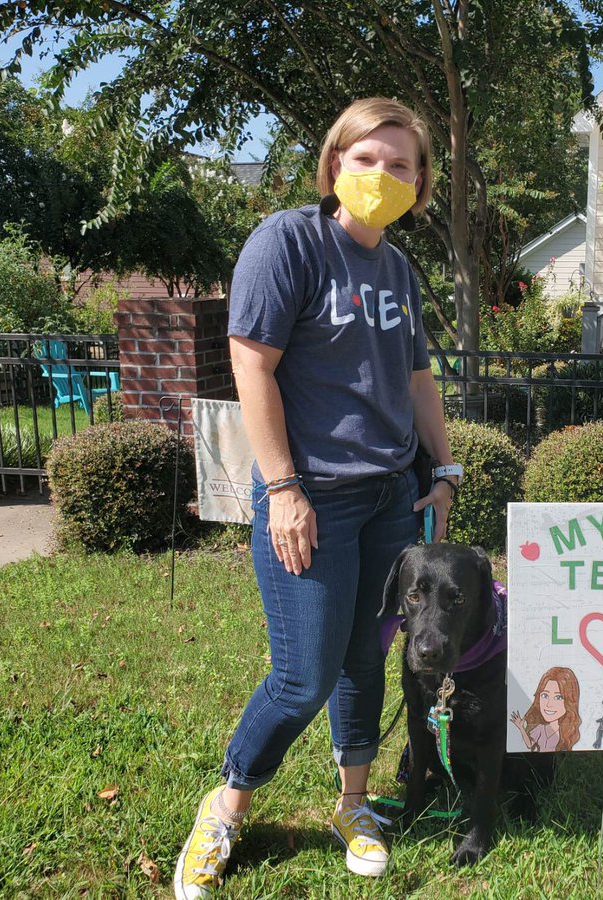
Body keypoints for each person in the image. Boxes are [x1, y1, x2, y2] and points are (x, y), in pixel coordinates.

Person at [174, 97, 462, 899]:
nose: (382, 174)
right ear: (335, 162)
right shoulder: (288, 241)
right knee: (302, 676)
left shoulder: (397, 268)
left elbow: (416, 380)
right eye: (366, 158)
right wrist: (284, 489)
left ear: (420, 183)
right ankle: (225, 809)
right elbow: (250, 364)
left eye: (401, 164)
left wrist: (444, 470)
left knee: (366, 655)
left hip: (391, 499)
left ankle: (355, 805)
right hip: (312, 500)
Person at [509, 666, 582, 752]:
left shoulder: (566, 732)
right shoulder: (540, 728)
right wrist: (521, 728)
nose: (549, 704)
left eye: (558, 697)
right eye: (545, 695)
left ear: (569, 700)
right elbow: (529, 745)